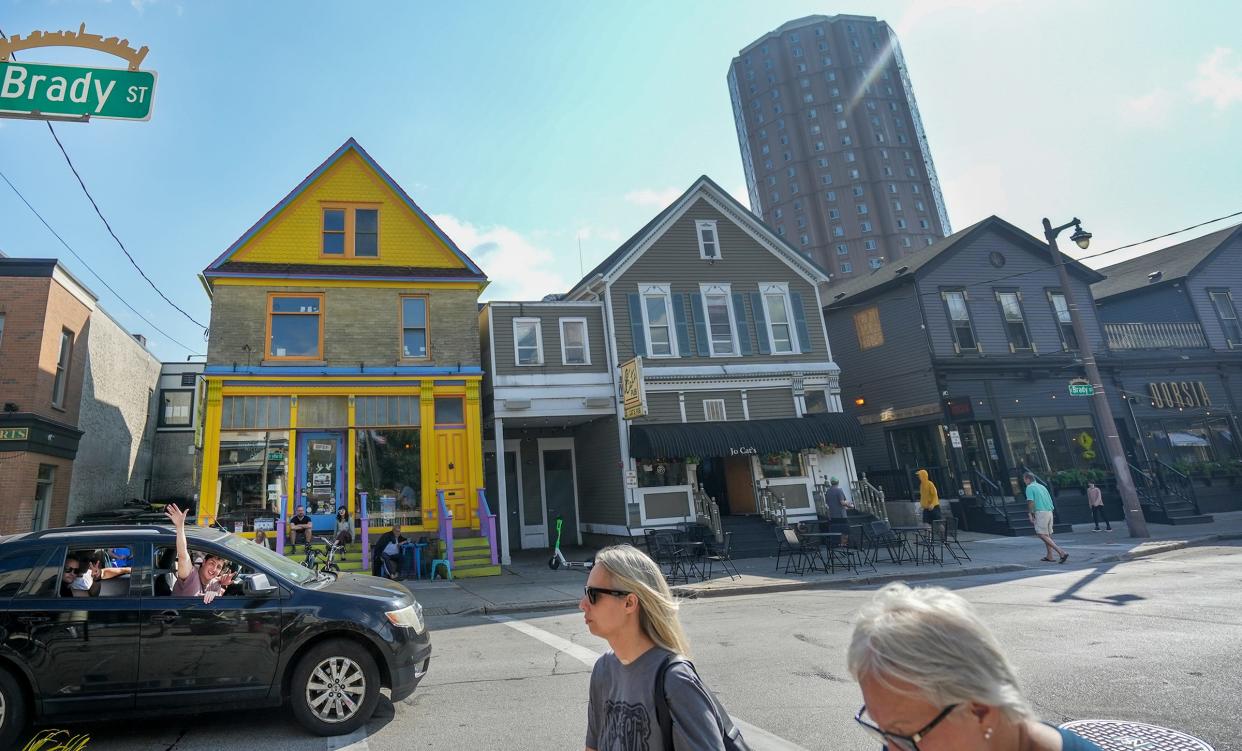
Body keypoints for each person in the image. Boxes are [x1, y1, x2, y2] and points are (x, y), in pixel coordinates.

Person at [848, 582, 1103, 750]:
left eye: (903, 736)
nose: (890, 748)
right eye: (882, 732)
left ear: (982, 712)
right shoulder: (906, 735)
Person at [582, 545, 747, 751]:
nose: (583, 604)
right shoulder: (603, 670)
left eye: (593, 594)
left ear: (629, 603)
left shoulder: (675, 680)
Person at [165, 503, 235, 603]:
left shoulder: (214, 583)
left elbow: (219, 585)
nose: (214, 569)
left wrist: (222, 586)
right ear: (204, 562)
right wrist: (180, 527)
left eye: (219, 567)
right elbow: (183, 554)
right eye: (212, 563)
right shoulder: (191, 575)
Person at [1025, 472, 1068, 563]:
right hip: (1049, 511)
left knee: (1041, 534)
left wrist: (1030, 513)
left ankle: (1061, 552)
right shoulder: (1042, 486)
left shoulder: (1029, 487)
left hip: (1040, 512)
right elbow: (1049, 498)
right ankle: (1050, 556)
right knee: (1047, 535)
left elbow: (1030, 501)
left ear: (1027, 479)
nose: (1024, 482)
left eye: (1024, 480)